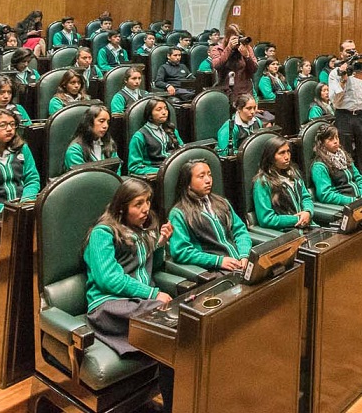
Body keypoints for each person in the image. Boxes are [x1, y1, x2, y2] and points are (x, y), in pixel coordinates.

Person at [82, 178, 175, 409]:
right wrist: (152, 293)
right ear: (122, 207)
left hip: (137, 304)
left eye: (148, 202)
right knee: (171, 323)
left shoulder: (139, 231)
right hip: (108, 307)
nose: (146, 209)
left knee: (179, 329)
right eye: (138, 204)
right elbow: (109, 279)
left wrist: (161, 243)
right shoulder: (102, 233)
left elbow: (144, 265)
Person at [168, 158, 251, 271]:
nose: (208, 180)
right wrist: (217, 261)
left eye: (209, 175)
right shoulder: (179, 213)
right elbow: (181, 251)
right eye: (201, 176)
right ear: (188, 183)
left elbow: (240, 231)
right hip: (213, 270)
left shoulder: (222, 203)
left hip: (239, 263)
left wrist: (244, 255)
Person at [328, 39, 362, 186]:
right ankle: (349, 184)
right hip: (343, 115)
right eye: (348, 51)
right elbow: (335, 100)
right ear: (341, 54)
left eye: (354, 50)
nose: (352, 53)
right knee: (345, 151)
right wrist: (343, 80)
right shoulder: (335, 73)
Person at [252, 135, 314, 230]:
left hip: (308, 225)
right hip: (288, 232)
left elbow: (306, 197)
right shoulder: (263, 182)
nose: (287, 157)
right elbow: (266, 219)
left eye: (288, 151)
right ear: (271, 157)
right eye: (281, 153)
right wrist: (297, 219)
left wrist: (308, 211)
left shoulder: (294, 173)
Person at [308, 124, 362, 205]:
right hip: (344, 206)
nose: (336, 141)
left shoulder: (343, 156)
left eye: (337, 137)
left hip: (359, 201)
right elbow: (325, 195)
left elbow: (359, 179)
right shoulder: (319, 166)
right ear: (321, 143)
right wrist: (352, 201)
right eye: (330, 139)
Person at [127, 98, 182, 176]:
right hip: (156, 175)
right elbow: (134, 167)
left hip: (175, 170)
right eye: (159, 109)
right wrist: (163, 171)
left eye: (166, 109)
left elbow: (182, 151)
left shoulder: (172, 131)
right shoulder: (139, 137)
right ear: (150, 114)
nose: (164, 112)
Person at [64, 104, 117, 171]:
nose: (106, 126)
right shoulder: (74, 150)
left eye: (108, 122)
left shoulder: (109, 144)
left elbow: (117, 170)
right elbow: (82, 178)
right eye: (101, 121)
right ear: (89, 123)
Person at [213, 25, 258, 100]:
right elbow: (217, 65)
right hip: (225, 90)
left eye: (239, 38)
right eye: (234, 38)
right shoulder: (218, 49)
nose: (237, 41)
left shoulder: (247, 48)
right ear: (227, 38)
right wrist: (229, 48)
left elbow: (254, 69)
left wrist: (247, 56)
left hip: (245, 91)